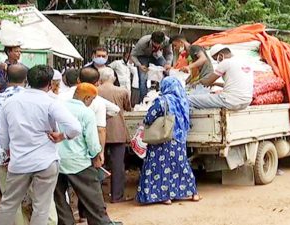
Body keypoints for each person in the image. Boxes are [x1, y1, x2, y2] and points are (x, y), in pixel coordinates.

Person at [0, 65, 82, 225]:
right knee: (42, 206)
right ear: (49, 84)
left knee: (8, 204)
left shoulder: (10, 103)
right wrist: (61, 136)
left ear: (27, 80)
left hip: (19, 162)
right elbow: (75, 128)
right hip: (45, 162)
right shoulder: (51, 102)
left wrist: (8, 152)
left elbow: (3, 138)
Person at [0, 65, 58, 225]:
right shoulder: (38, 99)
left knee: (11, 201)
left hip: (5, 156)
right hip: (39, 157)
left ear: (4, 78)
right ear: (27, 80)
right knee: (43, 200)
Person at [54, 83, 123, 225]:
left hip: (56, 160)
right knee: (92, 196)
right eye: (92, 99)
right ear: (87, 98)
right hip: (79, 161)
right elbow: (91, 141)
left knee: (59, 198)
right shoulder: (86, 113)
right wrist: (97, 154)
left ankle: (66, 222)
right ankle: (101, 222)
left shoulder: (58, 107)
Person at [137, 77, 201, 205]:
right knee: (180, 165)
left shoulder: (161, 101)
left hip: (163, 139)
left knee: (159, 167)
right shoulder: (184, 101)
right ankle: (192, 193)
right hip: (179, 139)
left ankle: (164, 196)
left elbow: (149, 117)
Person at [98, 67, 132, 203]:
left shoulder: (95, 91)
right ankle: (117, 196)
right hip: (118, 131)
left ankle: (98, 196)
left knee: (98, 164)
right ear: (113, 78)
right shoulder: (122, 91)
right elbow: (128, 108)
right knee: (118, 165)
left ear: (100, 79)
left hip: (99, 131)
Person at [188, 44, 254, 110]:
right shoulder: (244, 62)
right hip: (246, 102)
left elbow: (207, 82)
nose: (217, 62)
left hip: (230, 101)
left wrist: (198, 82)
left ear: (221, 55)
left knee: (189, 99)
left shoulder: (225, 62)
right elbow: (234, 85)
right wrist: (215, 84)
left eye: (216, 59)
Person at [131, 31, 173, 102]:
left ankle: (165, 97)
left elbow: (169, 53)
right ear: (151, 40)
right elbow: (133, 55)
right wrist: (139, 65)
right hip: (143, 57)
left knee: (167, 72)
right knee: (142, 78)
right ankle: (144, 100)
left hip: (157, 55)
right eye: (155, 44)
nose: (157, 46)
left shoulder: (167, 41)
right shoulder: (143, 42)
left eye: (159, 44)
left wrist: (168, 63)